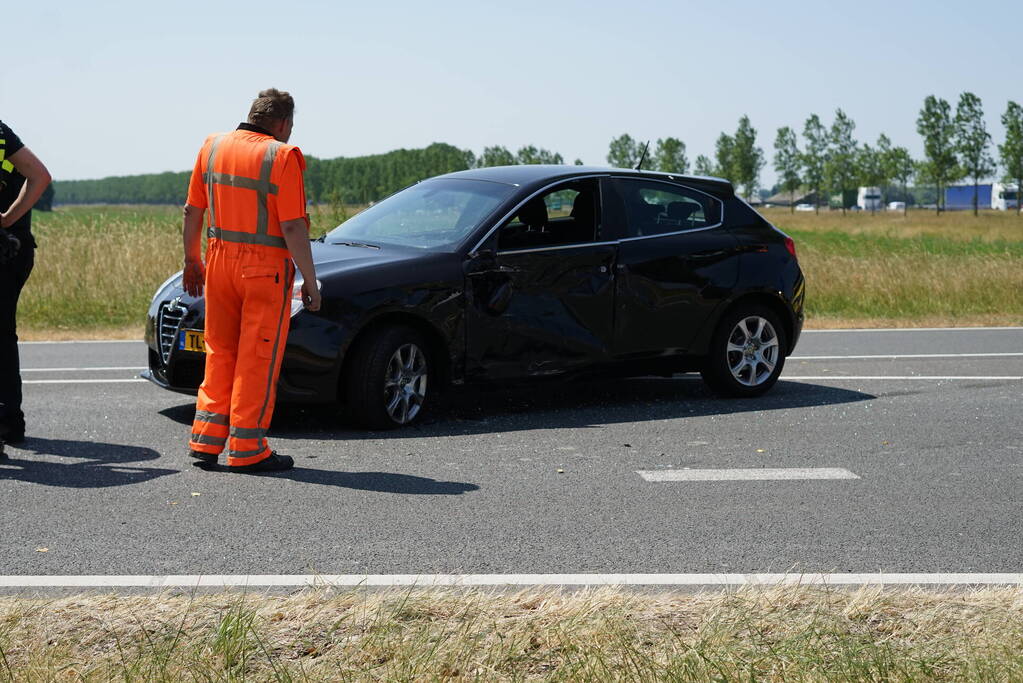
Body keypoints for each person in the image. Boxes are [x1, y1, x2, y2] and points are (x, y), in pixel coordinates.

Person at [182, 89, 320, 473]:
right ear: (283, 123)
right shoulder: (282, 156)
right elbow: (292, 225)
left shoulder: (212, 147)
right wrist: (310, 281)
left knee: (220, 351)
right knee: (256, 358)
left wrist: (192, 260)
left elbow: (193, 210)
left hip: (219, 262)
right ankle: (248, 449)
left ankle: (206, 442)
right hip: (264, 270)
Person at [0, 120, 52, 445]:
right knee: (3, 336)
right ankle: (10, 423)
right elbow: (40, 175)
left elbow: (41, 177)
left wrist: (6, 219)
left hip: (7, 247)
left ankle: (7, 422)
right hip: (16, 249)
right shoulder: (3, 133)